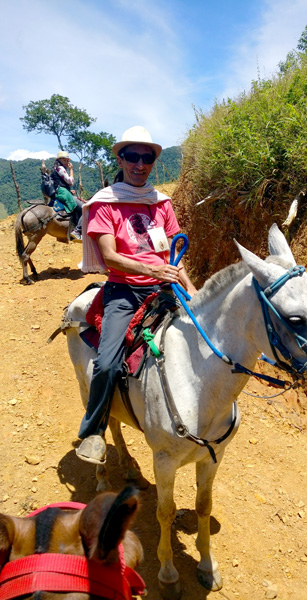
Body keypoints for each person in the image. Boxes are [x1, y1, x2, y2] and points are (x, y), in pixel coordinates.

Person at [76, 125, 197, 464]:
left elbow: (173, 256)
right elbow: (109, 256)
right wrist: (153, 271)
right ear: (120, 158)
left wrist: (191, 287)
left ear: (153, 162)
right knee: (107, 362)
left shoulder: (161, 203)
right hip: (125, 291)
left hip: (163, 286)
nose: (139, 164)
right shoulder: (106, 202)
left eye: (147, 158)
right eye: (133, 156)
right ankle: (94, 431)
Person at [51, 151, 83, 241]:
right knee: (85, 208)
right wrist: (71, 170)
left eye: (67, 160)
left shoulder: (55, 169)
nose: (66, 161)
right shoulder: (60, 168)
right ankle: (77, 231)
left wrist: (69, 190)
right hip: (63, 193)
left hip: (62, 192)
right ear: (59, 160)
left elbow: (62, 184)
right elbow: (70, 181)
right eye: (64, 159)